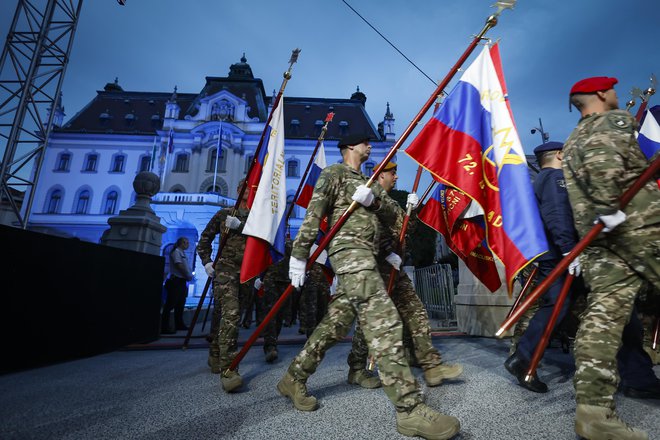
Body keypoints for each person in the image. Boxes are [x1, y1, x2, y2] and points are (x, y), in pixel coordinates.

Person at [277, 134, 460, 440]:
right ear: (350, 146)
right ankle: (409, 408)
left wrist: (374, 201)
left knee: (334, 326)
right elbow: (313, 214)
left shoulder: (371, 180)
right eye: (364, 141)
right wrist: (299, 254)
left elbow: (395, 216)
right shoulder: (333, 174)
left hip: (370, 258)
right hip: (349, 253)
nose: (370, 146)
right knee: (385, 321)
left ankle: (293, 377)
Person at [562, 76, 660, 440]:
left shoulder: (572, 141)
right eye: (614, 90)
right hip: (638, 231)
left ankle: (593, 411)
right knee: (604, 319)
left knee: (601, 320)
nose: (618, 95)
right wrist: (609, 208)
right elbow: (606, 165)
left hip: (600, 243)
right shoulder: (611, 122)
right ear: (602, 94)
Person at [347, 160, 463, 388]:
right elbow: (365, 232)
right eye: (392, 173)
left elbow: (405, 229)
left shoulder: (389, 199)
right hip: (376, 267)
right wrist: (385, 252)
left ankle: (430, 365)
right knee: (368, 322)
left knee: (415, 311)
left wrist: (413, 210)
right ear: (380, 175)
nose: (396, 177)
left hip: (395, 268)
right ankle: (357, 369)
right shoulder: (367, 195)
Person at [504, 141, 586, 393]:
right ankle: (524, 357)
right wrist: (568, 250)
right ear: (560, 155)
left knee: (560, 307)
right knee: (556, 307)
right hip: (560, 254)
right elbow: (557, 215)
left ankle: (524, 357)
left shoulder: (542, 179)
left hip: (554, 253)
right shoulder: (555, 178)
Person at [197, 180, 252, 391]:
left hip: (246, 273)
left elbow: (263, 240)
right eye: (245, 188)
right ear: (238, 190)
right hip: (225, 270)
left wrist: (242, 227)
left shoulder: (257, 218)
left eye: (251, 188)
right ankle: (229, 369)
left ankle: (215, 350)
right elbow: (204, 239)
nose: (247, 191)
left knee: (228, 315)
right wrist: (207, 262)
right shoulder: (223, 214)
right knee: (231, 313)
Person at [161, 237, 193, 334]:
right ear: (180, 243)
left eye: (187, 242)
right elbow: (179, 266)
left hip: (182, 281)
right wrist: (187, 275)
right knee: (170, 304)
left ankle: (179, 324)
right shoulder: (176, 252)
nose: (187, 244)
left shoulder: (182, 253)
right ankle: (164, 327)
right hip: (176, 281)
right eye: (185, 242)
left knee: (180, 305)